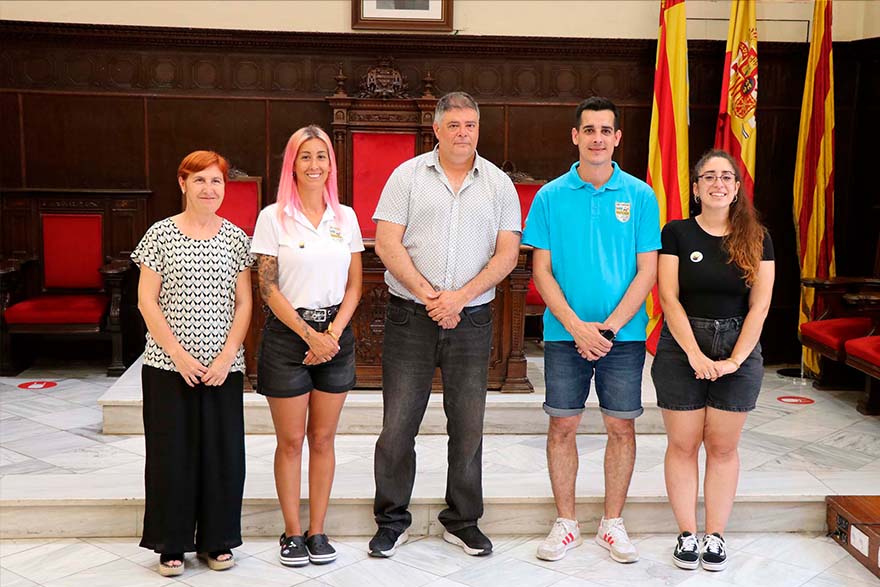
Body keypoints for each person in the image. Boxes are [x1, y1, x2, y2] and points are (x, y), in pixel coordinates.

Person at [369, 91, 522, 558]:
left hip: (472, 319)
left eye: (470, 125)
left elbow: (507, 254)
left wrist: (459, 297)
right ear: (436, 129)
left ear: (478, 129)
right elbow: (386, 243)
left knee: (468, 426)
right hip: (410, 317)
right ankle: (392, 521)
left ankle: (462, 520)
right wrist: (430, 295)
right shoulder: (407, 176)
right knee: (398, 424)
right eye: (453, 125)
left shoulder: (498, 184)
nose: (462, 133)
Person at [523, 96, 660, 564]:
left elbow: (647, 270)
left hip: (624, 335)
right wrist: (577, 327)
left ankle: (611, 524)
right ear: (575, 136)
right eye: (589, 130)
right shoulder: (549, 196)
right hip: (565, 335)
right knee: (562, 425)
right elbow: (541, 271)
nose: (597, 138)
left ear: (617, 138)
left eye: (605, 130)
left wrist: (609, 328)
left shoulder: (640, 195)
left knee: (621, 426)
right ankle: (566, 524)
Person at [651, 149, 774, 572]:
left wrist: (736, 360)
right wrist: (694, 354)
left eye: (726, 177)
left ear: (736, 188)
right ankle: (687, 534)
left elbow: (760, 305)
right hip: (682, 346)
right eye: (709, 176)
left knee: (722, 448)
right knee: (683, 445)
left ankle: (715, 536)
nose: (718, 183)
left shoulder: (757, 237)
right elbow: (668, 297)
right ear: (696, 187)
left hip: (738, 347)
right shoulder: (677, 233)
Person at [132, 150, 253, 576]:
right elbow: (147, 301)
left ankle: (218, 539)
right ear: (182, 184)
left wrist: (227, 355)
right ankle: (172, 543)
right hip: (168, 366)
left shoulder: (236, 239)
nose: (208, 188)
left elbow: (244, 303)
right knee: (171, 455)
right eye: (199, 180)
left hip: (223, 368)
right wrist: (179, 356)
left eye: (216, 181)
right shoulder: (160, 235)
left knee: (222, 456)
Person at [251, 125, 363, 567]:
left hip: (335, 338)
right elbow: (268, 287)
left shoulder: (345, 217)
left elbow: (354, 287)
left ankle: (318, 531)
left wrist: (330, 336)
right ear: (292, 165)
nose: (315, 165)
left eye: (322, 157)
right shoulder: (273, 217)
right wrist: (308, 335)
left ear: (331, 165)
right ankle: (293, 533)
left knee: (322, 438)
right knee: (292, 441)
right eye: (305, 156)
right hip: (287, 338)